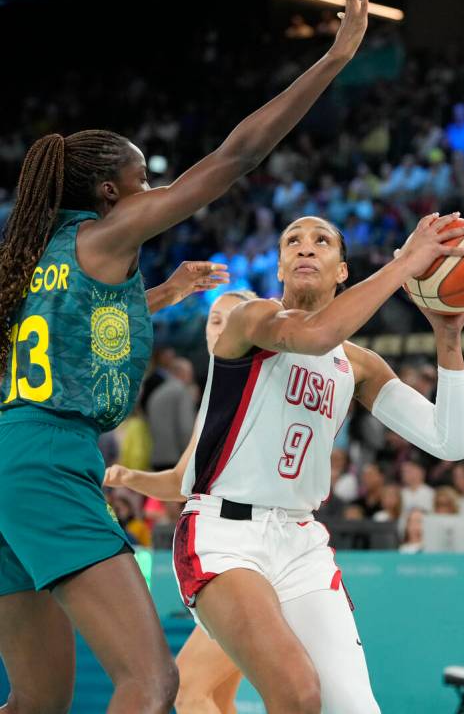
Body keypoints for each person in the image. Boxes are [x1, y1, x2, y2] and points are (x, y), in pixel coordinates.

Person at [0, 0, 370, 714]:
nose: (153, 193)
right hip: (49, 460)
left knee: (36, 699)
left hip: (8, 456)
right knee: (152, 679)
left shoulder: (34, 253)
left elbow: (74, 326)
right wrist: (331, 59)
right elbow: (234, 159)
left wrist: (164, 293)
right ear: (111, 194)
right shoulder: (111, 230)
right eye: (145, 182)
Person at [174, 211, 464, 714]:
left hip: (300, 543)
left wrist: (448, 336)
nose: (305, 247)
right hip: (224, 535)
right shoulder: (253, 321)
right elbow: (314, 333)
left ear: (342, 271)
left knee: (356, 709)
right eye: (293, 241)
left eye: (321, 241)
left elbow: (450, 442)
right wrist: (406, 265)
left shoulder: (356, 365)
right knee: (296, 694)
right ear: (280, 268)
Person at [105, 290, 257, 714]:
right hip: (222, 560)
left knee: (189, 690)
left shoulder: (257, 386)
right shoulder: (215, 396)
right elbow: (182, 481)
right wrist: (130, 477)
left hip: (246, 559)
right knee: (218, 696)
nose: (221, 327)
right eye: (214, 320)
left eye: (233, 318)